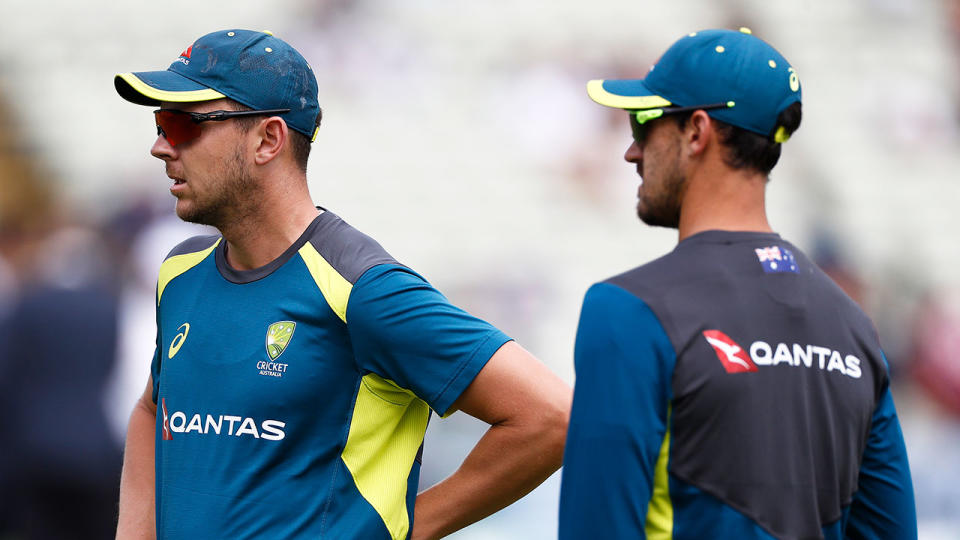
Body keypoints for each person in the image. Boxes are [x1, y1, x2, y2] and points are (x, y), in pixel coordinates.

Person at [112, 29, 570, 540]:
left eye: (181, 124)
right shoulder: (179, 273)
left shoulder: (362, 289)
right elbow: (154, 408)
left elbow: (550, 418)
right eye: (159, 123)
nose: (159, 147)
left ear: (268, 139)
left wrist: (403, 530)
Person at [559, 28, 916, 539]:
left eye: (643, 124)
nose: (631, 153)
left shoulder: (626, 310)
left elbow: (596, 529)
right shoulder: (855, 327)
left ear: (697, 132)